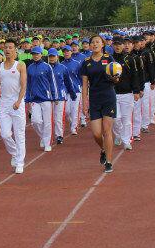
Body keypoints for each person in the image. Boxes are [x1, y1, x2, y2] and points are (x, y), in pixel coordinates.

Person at [81, 36, 118, 173]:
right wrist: (84, 102)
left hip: (108, 97)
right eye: (92, 42)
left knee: (107, 131)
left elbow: (116, 79)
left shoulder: (109, 58)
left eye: (97, 42)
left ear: (102, 44)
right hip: (94, 99)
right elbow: (85, 84)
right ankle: (103, 149)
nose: (95, 44)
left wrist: (115, 78)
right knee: (96, 133)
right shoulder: (86, 62)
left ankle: (109, 162)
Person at [0, 39, 27, 174]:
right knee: (5, 134)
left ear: (15, 50)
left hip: (17, 103)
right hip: (4, 104)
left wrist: (19, 101)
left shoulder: (20, 65)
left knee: (19, 134)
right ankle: (14, 153)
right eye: (6, 47)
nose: (8, 50)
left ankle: (20, 162)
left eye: (10, 47)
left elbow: (24, 85)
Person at [25, 45, 57, 152]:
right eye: (34, 54)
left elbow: (52, 82)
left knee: (47, 122)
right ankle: (43, 136)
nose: (35, 56)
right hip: (34, 99)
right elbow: (28, 84)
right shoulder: (29, 68)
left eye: (37, 54)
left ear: (41, 54)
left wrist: (54, 96)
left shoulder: (47, 67)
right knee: (35, 121)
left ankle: (47, 143)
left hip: (46, 98)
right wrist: (27, 97)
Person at [47, 48, 76, 146]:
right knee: (47, 118)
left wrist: (72, 94)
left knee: (58, 117)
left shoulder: (63, 68)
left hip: (60, 96)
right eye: (50, 56)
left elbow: (68, 82)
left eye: (53, 56)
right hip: (48, 97)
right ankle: (47, 136)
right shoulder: (46, 67)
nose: (52, 58)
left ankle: (59, 135)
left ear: (57, 57)